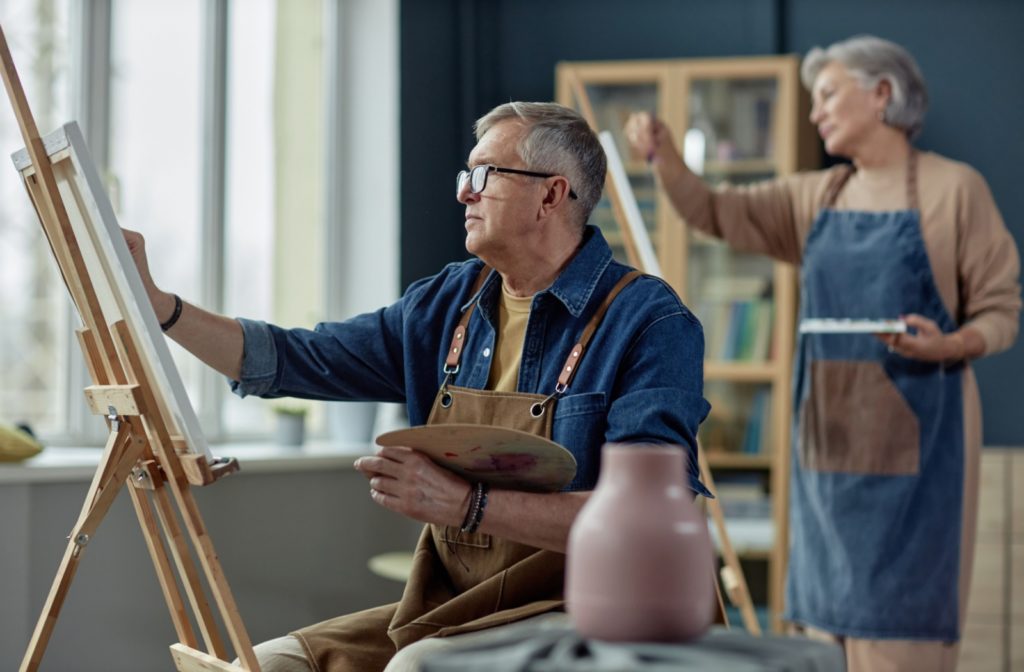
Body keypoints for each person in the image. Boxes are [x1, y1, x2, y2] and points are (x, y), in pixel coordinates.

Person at [126, 101, 710, 672]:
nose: (464, 191)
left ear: (551, 195)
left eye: (485, 174)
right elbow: (293, 357)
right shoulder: (447, 303)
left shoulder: (649, 322)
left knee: (418, 666)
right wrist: (161, 309)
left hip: (600, 613)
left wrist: (468, 505)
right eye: (466, 174)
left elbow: (647, 520)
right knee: (273, 663)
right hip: (458, 610)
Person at [625, 35, 1021, 672]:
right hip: (826, 457)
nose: (816, 113)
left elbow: (1002, 311)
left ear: (882, 94)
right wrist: (665, 157)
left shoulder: (955, 191)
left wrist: (952, 343)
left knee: (901, 642)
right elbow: (715, 212)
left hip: (923, 462)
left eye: (829, 95)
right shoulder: (815, 198)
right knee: (818, 645)